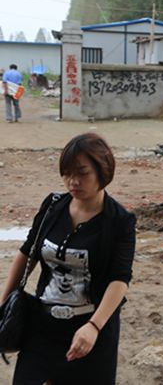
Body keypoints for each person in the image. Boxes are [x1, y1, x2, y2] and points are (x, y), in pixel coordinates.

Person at [1, 133, 135, 384]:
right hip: (42, 326)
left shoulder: (119, 221)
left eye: (82, 173)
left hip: (91, 330)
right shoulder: (53, 207)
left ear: (103, 170)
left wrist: (94, 326)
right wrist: (4, 303)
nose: (73, 181)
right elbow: (27, 253)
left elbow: (120, 279)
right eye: (67, 173)